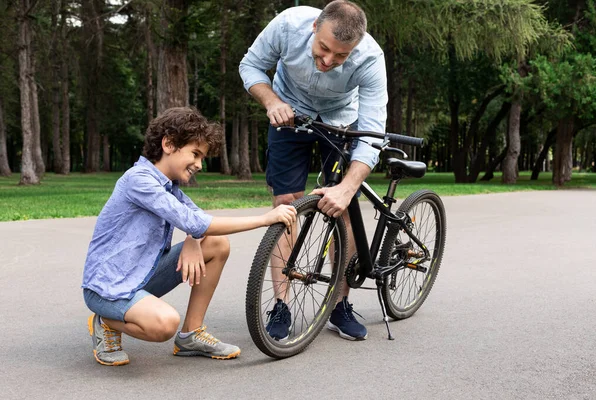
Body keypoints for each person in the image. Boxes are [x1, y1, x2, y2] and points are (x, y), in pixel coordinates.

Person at [82, 107, 296, 366]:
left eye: (202, 157)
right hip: (108, 289)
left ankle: (191, 335)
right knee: (164, 324)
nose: (199, 164)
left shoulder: (169, 187)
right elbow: (195, 221)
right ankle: (106, 321)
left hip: (140, 277)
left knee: (216, 244)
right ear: (169, 144)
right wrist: (265, 219)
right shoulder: (139, 180)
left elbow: (196, 220)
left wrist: (193, 241)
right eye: (195, 154)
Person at [239, 0, 387, 341]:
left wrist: (347, 188)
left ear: (355, 48)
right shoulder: (288, 24)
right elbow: (251, 66)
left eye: (340, 56)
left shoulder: (370, 58)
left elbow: (373, 131)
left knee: (342, 208)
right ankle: (281, 305)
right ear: (314, 28)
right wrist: (272, 101)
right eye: (323, 49)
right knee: (285, 205)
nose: (328, 61)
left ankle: (339, 305)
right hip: (288, 112)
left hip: (341, 120)